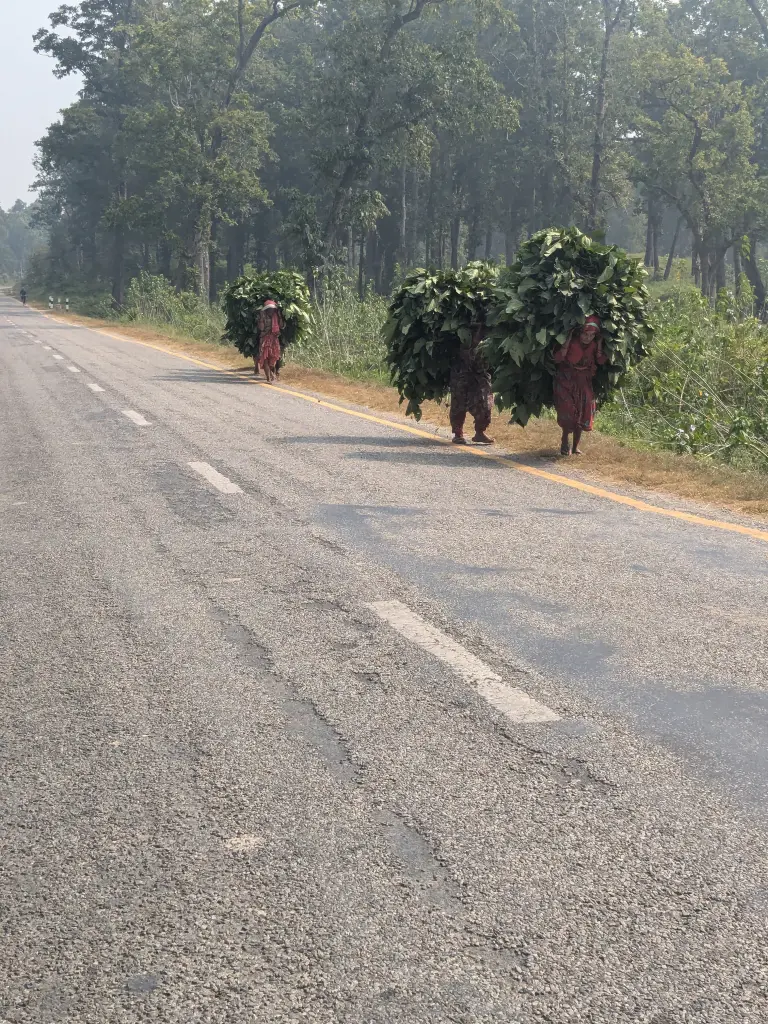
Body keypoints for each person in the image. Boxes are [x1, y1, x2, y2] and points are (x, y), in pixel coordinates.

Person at [553, 314, 608, 456]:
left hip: (584, 382)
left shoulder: (594, 345)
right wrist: (567, 341)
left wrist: (600, 344)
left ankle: (576, 446)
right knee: (569, 411)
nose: (587, 338)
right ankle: (565, 439)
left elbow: (601, 361)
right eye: (585, 334)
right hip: (566, 380)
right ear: (579, 332)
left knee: (584, 410)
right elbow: (558, 359)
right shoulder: (572, 342)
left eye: (591, 335)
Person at [450, 321, 494, 445]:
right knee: (459, 402)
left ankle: (480, 432)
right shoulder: (461, 330)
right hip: (461, 371)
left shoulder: (488, 330)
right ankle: (458, 433)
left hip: (481, 373)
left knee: (486, 403)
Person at [255, 299, 284, 383]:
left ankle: (271, 374)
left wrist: (280, 317)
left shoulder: (276, 316)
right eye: (269, 309)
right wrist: (261, 319)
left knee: (273, 357)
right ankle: (268, 377)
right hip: (265, 339)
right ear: (267, 310)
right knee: (265, 358)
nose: (271, 311)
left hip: (274, 340)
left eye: (272, 309)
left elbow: (281, 326)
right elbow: (261, 328)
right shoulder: (263, 316)